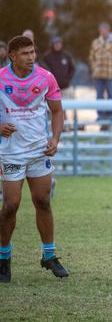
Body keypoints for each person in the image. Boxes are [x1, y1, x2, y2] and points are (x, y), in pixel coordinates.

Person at [0, 36, 67, 282]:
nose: (31, 57)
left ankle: (48, 255)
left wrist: (55, 139)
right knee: (10, 206)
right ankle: (4, 258)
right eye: (25, 53)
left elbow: (57, 111)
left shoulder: (46, 77)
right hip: (10, 152)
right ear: (12, 57)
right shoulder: (0, 78)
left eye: (33, 52)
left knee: (43, 201)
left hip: (39, 150)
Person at [88, 22, 112, 128]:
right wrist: (94, 67)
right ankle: (101, 116)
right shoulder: (96, 42)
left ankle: (110, 116)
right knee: (99, 96)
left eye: (105, 29)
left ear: (108, 30)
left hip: (110, 74)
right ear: (100, 31)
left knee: (111, 95)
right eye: (101, 30)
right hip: (98, 74)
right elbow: (91, 57)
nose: (103, 31)